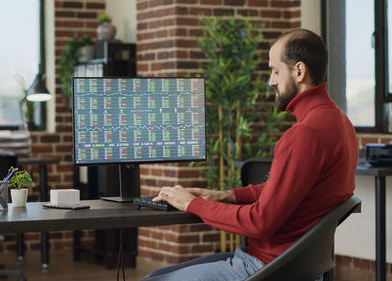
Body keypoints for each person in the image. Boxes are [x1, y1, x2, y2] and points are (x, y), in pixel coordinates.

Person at [142, 28, 358, 281]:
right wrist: (225, 195)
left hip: (269, 267)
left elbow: (260, 222)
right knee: (160, 274)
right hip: (299, 266)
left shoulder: (305, 134)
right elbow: (288, 189)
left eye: (275, 71)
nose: (271, 81)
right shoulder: (340, 123)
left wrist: (192, 204)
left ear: (299, 71)